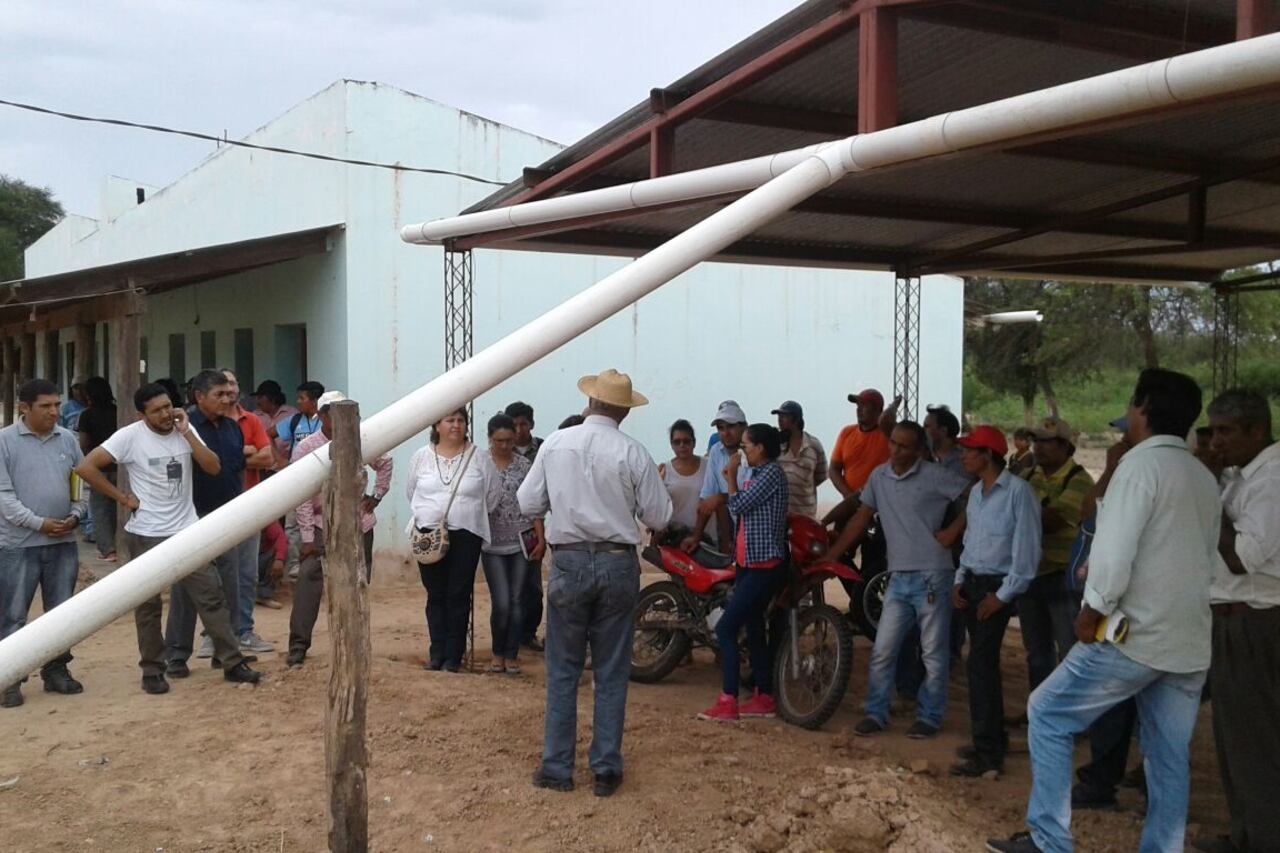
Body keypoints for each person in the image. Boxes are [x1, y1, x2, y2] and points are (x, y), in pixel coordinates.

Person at [989, 369, 1221, 853]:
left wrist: (1091, 612)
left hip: (1135, 635)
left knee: (1048, 712)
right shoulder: (1201, 474)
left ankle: (1049, 840)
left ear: (1142, 408)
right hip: (1189, 640)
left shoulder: (1139, 468)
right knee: (1167, 753)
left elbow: (1114, 556)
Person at [518, 369, 671, 797]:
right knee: (611, 670)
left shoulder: (556, 444)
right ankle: (604, 768)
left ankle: (556, 768)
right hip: (616, 561)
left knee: (563, 669)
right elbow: (658, 516)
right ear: (623, 411)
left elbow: (528, 501)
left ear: (590, 404)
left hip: (568, 561)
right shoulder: (633, 451)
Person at [75, 383, 260, 694]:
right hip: (145, 533)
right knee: (148, 607)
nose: (164, 414)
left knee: (211, 597)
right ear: (141, 414)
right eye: (156, 411)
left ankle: (232, 662)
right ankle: (152, 671)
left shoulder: (183, 429)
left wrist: (187, 433)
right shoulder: (129, 436)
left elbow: (213, 467)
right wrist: (122, 498)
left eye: (167, 407)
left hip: (187, 530)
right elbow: (86, 467)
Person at [822, 421, 970, 739]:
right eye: (892, 443)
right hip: (897, 575)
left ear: (919, 450)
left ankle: (929, 716)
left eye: (903, 446)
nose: (895, 450)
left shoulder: (935, 475)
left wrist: (954, 530)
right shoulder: (879, 476)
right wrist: (832, 554)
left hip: (933, 574)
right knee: (884, 649)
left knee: (932, 652)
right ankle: (877, 712)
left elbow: (976, 494)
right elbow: (861, 519)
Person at [1194, 389, 1280, 853]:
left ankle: (1264, 838)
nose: (1215, 443)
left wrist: (1211, 490)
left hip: (1256, 621)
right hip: (1232, 619)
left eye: (1225, 432)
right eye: (1212, 432)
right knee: (1232, 737)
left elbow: (1242, 557)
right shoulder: (1244, 476)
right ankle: (1248, 832)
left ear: (1257, 431)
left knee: (1255, 738)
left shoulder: (1272, 478)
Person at [948, 425, 1041, 778]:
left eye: (969, 451)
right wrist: (960, 580)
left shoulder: (1019, 493)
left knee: (981, 664)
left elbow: (1026, 554)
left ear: (988, 455)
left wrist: (1001, 597)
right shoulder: (976, 494)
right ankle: (989, 740)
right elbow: (971, 541)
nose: (963, 456)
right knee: (980, 666)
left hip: (996, 587)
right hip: (974, 582)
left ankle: (988, 752)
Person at [0, 379, 89, 708]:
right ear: (25, 408)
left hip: (64, 541)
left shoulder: (67, 439)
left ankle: (56, 671)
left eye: (56, 404)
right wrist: (39, 523)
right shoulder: (5, 442)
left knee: (61, 614)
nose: (55, 411)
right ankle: (9, 676)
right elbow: (4, 497)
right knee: (12, 615)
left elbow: (80, 483)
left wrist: (77, 515)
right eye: (46, 406)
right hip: (19, 545)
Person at [288, 391, 393, 667]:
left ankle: (353, 645)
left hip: (359, 522)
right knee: (310, 582)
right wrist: (308, 537)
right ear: (322, 416)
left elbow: (386, 462)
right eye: (333, 414)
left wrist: (377, 496)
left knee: (357, 582)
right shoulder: (307, 448)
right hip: (323, 524)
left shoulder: (363, 440)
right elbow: (301, 497)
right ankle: (298, 645)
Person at [698, 423, 789, 722]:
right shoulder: (760, 474)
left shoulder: (772, 474)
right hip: (750, 563)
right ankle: (763, 696)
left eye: (747, 445)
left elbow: (738, 504)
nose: (743, 451)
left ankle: (728, 700)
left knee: (726, 628)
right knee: (753, 628)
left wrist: (731, 477)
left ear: (761, 448)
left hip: (764, 566)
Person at [165, 369, 250, 670]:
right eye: (219, 395)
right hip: (191, 516)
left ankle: (227, 652)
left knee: (230, 585)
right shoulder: (181, 428)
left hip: (227, 515)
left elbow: (238, 468)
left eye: (229, 394)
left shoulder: (231, 427)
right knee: (187, 588)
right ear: (199, 397)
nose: (227, 400)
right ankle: (176, 655)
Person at [407, 407, 488, 673]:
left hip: (467, 533)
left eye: (460, 420)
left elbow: (493, 495)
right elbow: (411, 492)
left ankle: (453, 657)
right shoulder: (421, 456)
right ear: (437, 425)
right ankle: (436, 653)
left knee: (458, 593)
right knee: (436, 594)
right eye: (450, 420)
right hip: (429, 534)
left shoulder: (479, 457)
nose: (456, 425)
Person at [1019, 418, 1094, 697]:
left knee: (1070, 649)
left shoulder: (1080, 480)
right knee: (1036, 651)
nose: (1038, 447)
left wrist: (1021, 510)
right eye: (1036, 441)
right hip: (1032, 573)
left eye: (1046, 442)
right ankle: (1041, 708)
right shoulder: (1028, 476)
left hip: (1064, 577)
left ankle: (1071, 713)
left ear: (1066, 447)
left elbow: (1054, 521)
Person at [480, 413, 545, 674]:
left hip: (521, 540)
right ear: (490, 439)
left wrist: (541, 536)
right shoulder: (481, 463)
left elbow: (534, 505)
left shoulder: (523, 466)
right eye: (499, 441)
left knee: (519, 599)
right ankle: (497, 651)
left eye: (508, 440)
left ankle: (512, 653)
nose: (504, 446)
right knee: (502, 601)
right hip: (491, 543)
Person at [222, 369, 274, 654]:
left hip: (248, 505)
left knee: (246, 573)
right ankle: (215, 634)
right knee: (218, 575)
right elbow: (208, 461)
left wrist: (234, 456)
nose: (229, 389)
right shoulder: (205, 423)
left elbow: (267, 457)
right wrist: (246, 451)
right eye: (224, 384)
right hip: (215, 508)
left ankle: (244, 631)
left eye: (233, 382)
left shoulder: (251, 420)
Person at [505, 401, 546, 652]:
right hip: (505, 525)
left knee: (532, 584)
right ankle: (510, 632)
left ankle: (528, 633)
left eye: (524, 424)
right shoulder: (500, 450)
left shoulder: (544, 448)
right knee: (509, 585)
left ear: (531, 424)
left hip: (533, 525)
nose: (519, 429)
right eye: (515, 424)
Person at [682, 400, 749, 552]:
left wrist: (720, 498)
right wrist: (696, 537)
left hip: (760, 534)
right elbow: (707, 497)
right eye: (721, 428)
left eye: (731, 426)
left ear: (744, 427)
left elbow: (753, 498)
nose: (726, 433)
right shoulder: (716, 451)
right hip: (738, 532)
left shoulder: (755, 453)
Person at [78, 376, 119, 562]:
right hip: (121, 467)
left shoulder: (87, 415)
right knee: (120, 507)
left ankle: (108, 550)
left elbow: (84, 443)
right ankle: (121, 544)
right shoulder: (119, 411)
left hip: (98, 468)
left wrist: (90, 461)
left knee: (100, 509)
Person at [773, 401, 827, 520]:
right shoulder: (774, 445)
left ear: (796, 419)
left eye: (784, 416)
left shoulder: (813, 445)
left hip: (806, 515)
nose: (780, 420)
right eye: (779, 416)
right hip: (779, 516)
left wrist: (800, 481)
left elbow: (821, 476)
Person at [658, 419, 705, 532]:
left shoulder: (708, 467)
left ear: (694, 442)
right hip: (675, 539)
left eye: (686, 441)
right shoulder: (664, 471)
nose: (682, 445)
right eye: (677, 442)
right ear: (671, 445)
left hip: (706, 540)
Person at [252, 380, 298, 472]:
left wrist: (281, 460)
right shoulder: (254, 417)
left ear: (272, 398)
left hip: (286, 468)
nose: (257, 401)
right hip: (261, 469)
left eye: (260, 397)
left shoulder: (292, 414)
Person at [924, 405, 966, 478]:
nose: (923, 429)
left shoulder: (964, 458)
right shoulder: (923, 452)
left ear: (943, 430)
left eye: (927, 426)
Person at [257, 520, 286, 610]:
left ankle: (264, 595)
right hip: (242, 559)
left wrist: (279, 559)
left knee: (277, 556)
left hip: (261, 558)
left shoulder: (265, 519)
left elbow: (280, 537)